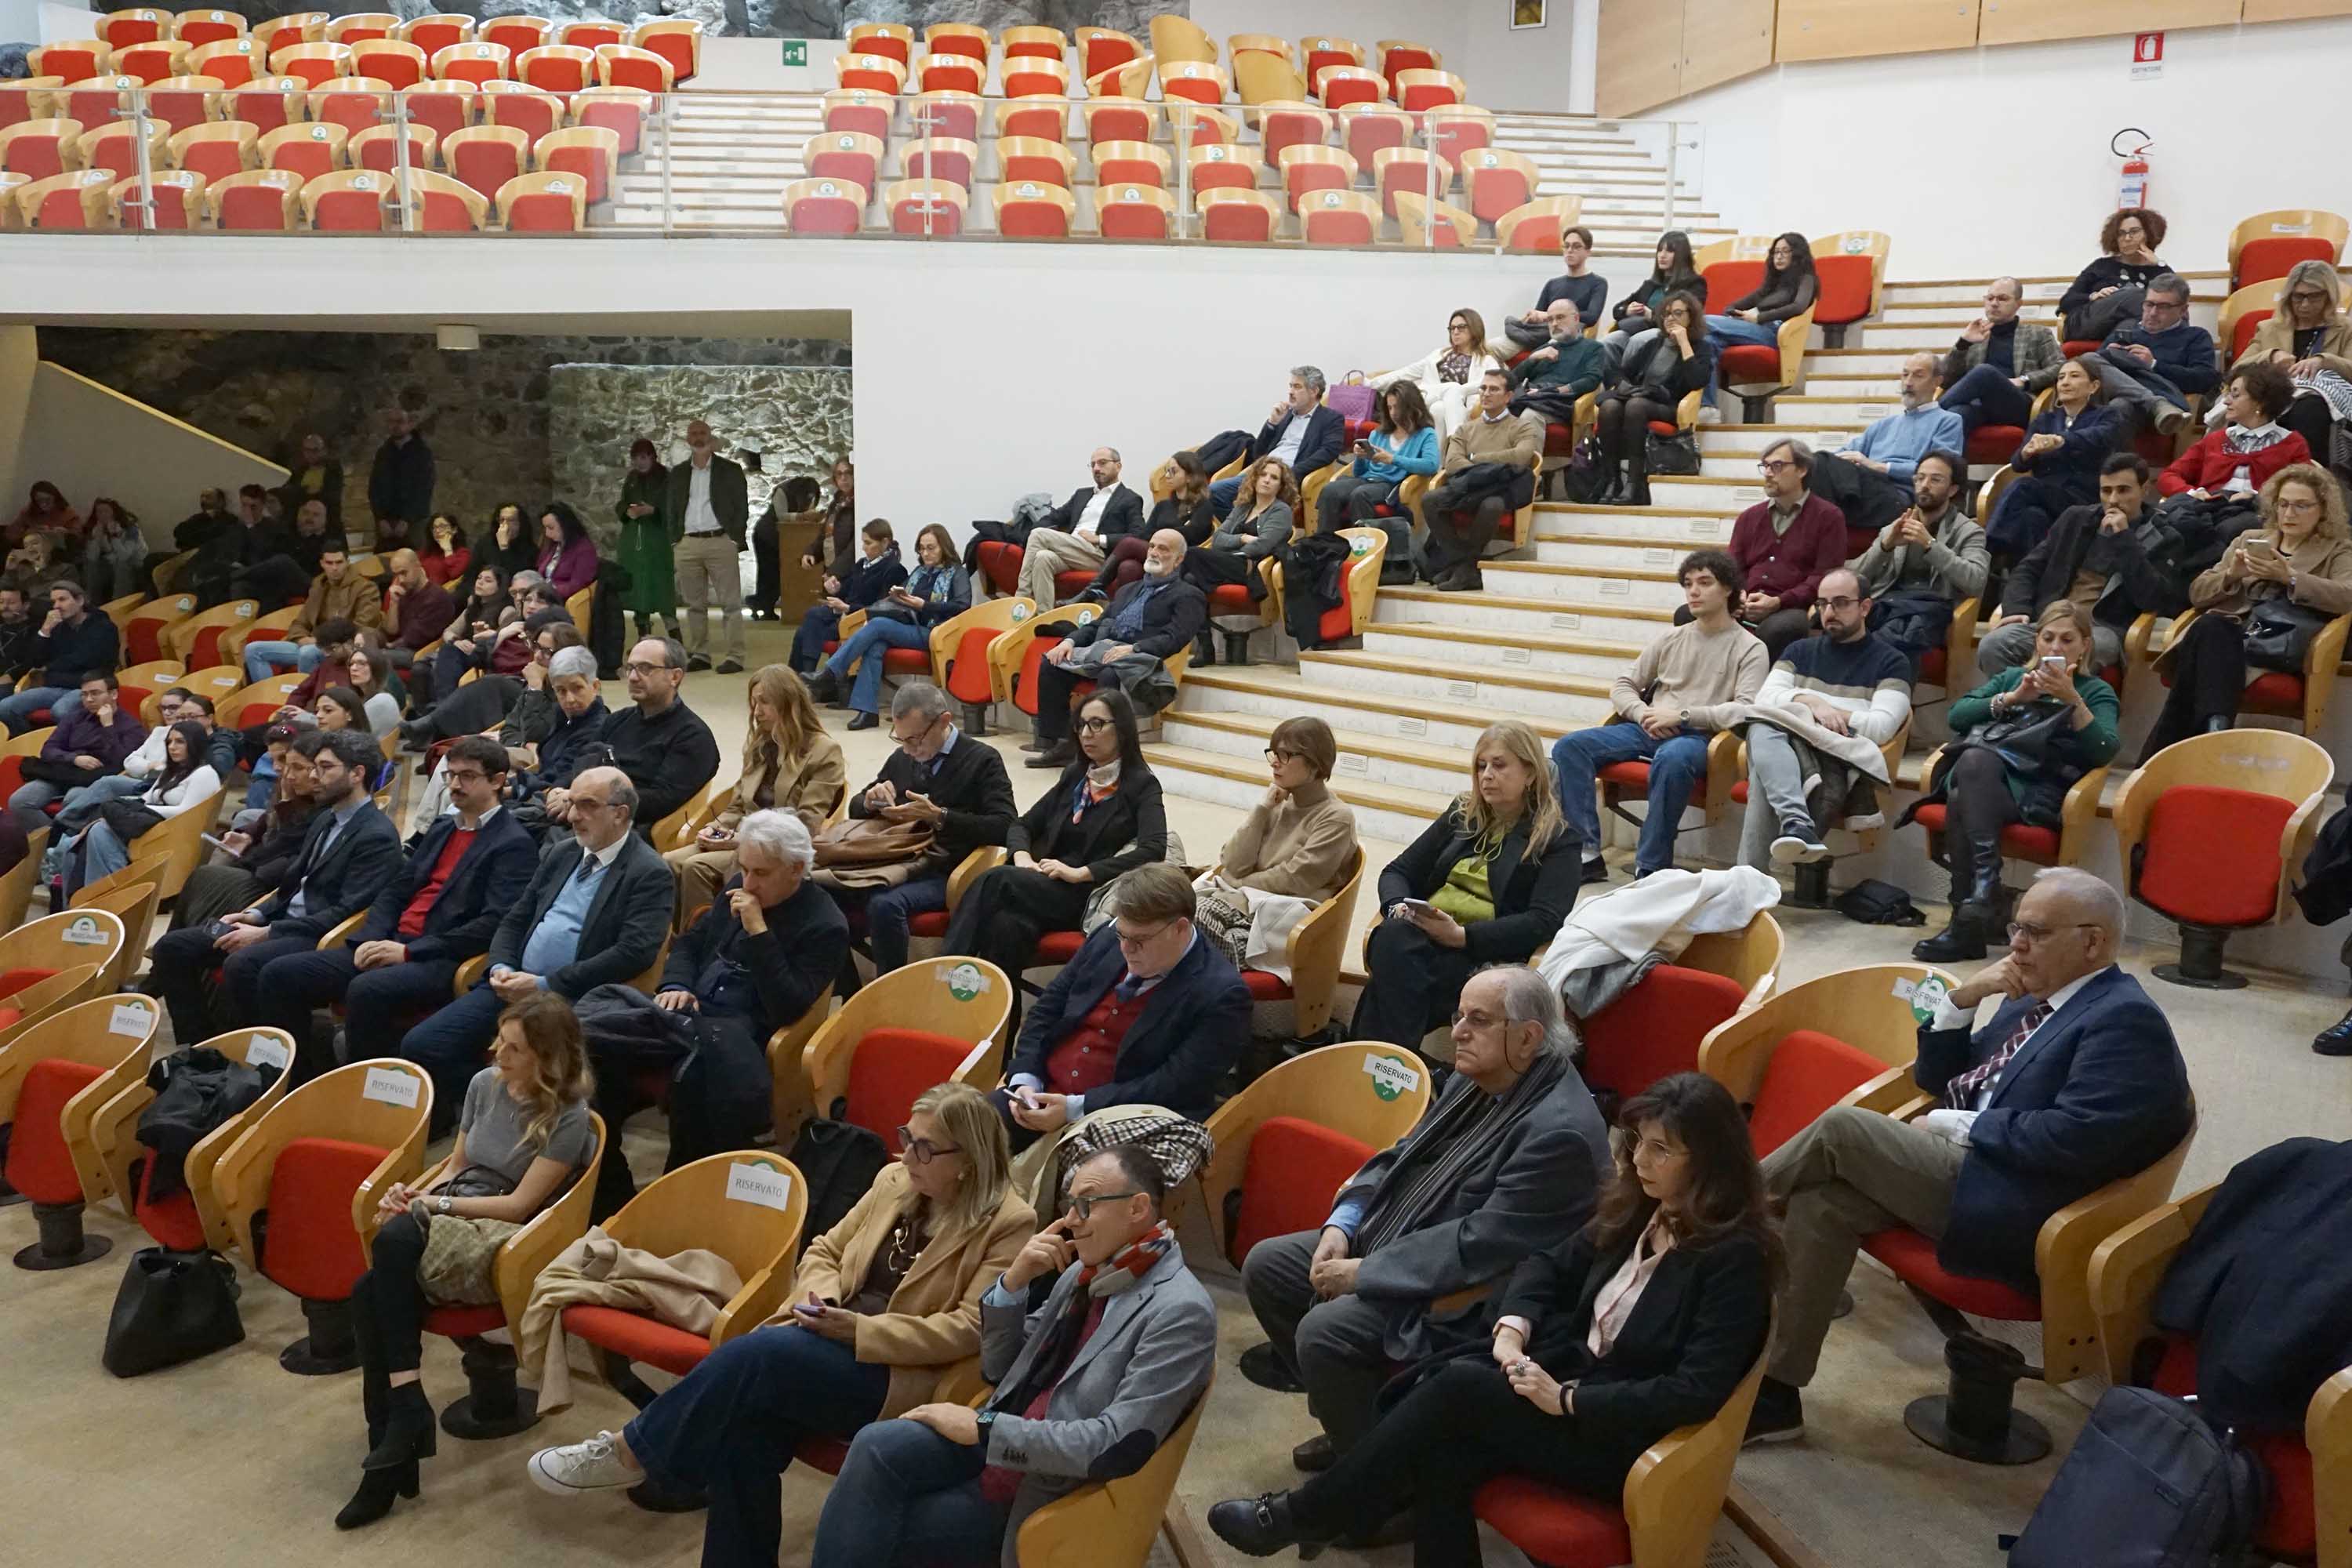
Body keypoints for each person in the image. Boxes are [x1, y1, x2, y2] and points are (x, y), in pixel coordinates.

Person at [1212, 1071, 1775, 1565]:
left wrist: (1568, 1400)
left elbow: (1693, 1392)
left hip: (1627, 1432)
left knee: (1457, 1387)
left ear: (1710, 1161)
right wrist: (1513, 1329)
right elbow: (1546, 1264)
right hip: (1565, 1379)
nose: (1639, 1161)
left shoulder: (1736, 1260)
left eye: (1661, 1150)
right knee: (1444, 1449)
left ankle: (1303, 1515)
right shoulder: (1643, 1207)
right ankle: (1316, 1514)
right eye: (1637, 1143)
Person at [1746, 867, 2193, 1443]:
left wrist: (1956, 1124)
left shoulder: (2125, 1021)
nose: (2017, 945)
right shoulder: (2032, 996)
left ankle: (1703, 1212)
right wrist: (1963, 1000)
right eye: (2016, 928)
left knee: (1843, 1129)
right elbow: (1939, 1077)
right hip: (1970, 1170)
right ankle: (1778, 1396)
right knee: (1824, 1199)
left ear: (2093, 942)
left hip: (2025, 1204)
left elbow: (2077, 1139)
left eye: (2036, 932)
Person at [523, 1082, 1036, 1568]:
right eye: (907, 1137)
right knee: (744, 1429)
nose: (906, 1156)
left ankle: (632, 1451)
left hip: (893, 1370)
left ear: (967, 1162)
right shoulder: (893, 1182)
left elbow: (969, 1326)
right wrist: (824, 1301)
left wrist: (859, 1331)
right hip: (825, 1336)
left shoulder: (1008, 1221)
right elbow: (825, 1249)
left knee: (761, 1355)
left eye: (924, 1148)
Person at [1240, 967, 1612, 1467]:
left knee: (1325, 1331)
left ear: (1528, 1038)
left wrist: (1364, 1273)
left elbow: (1480, 1244)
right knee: (1268, 1266)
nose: (1457, 1032)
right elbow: (1403, 1153)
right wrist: (1344, 1223)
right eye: (1459, 1016)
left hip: (1478, 1292)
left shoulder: (1559, 1134)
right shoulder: (1477, 1076)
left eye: (1478, 1020)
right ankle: (1354, 1425)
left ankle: (1381, 1481)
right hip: (1411, 1234)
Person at [804, 1143, 1216, 1567]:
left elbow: (1114, 1443)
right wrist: (1014, 1284)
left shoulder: (1180, 1311)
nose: (1071, 1221)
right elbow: (1001, 1368)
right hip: (1001, 1439)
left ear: (1137, 1208)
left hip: (1046, 1486)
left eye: (1087, 1205)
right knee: (873, 1447)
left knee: (879, 1526)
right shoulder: (1087, 1272)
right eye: (1070, 1204)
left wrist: (984, 1428)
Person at [333, 990, 596, 1530]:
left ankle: (400, 1431)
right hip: (458, 1209)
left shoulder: (569, 1116)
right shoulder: (482, 1084)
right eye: (500, 1040)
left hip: (507, 1236)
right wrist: (415, 1193)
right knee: (370, 1284)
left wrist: (434, 1206)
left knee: (385, 1258)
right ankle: (396, 1435)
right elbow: (455, 1168)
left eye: (514, 1049)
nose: (498, 1053)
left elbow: (520, 1205)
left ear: (547, 1059)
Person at [587, 810, 848, 1209]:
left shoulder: (825, 924)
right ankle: (609, 1187)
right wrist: (676, 985)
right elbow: (689, 946)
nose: (748, 882)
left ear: (796, 869)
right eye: (744, 869)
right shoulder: (739, 886)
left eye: (761, 873)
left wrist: (759, 932)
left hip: (742, 1031)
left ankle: (678, 1198)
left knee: (698, 1072)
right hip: (686, 1014)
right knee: (589, 1054)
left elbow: (788, 1006)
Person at [245, 734, 537, 1081]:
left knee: (367, 989)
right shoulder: (444, 826)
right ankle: (296, 1080)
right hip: (391, 941)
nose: (455, 785)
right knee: (280, 974)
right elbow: (395, 890)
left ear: (498, 781)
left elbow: (491, 924)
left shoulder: (513, 844)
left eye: (468, 776)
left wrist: (410, 952)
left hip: (440, 957)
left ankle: (365, 1088)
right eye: (451, 775)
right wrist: (371, 936)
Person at [395, 766, 670, 1130]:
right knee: (422, 1045)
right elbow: (515, 918)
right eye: (572, 803)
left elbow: (634, 952)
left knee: (548, 1069)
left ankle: (524, 1125)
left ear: (619, 813)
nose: (573, 816)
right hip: (512, 986)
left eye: (587, 805)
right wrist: (501, 966)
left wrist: (545, 984)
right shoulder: (562, 853)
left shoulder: (648, 871)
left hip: (572, 998)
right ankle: (488, 1117)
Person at [147, 728, 398, 1044]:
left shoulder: (376, 836)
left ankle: (268, 1054)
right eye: (315, 767)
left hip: (313, 935)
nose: (315, 776)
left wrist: (266, 932)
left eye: (325, 768)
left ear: (357, 774)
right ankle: (200, 1045)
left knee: (243, 963)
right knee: (173, 947)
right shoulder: (326, 819)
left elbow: (345, 912)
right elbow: (292, 884)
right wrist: (254, 915)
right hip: (279, 922)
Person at [1907, 602, 2120, 962]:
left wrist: (2073, 700)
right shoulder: (2014, 679)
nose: (2055, 647)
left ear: (2085, 645)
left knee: (1964, 789)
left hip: (2043, 793)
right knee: (1969, 775)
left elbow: (2105, 750)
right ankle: (1982, 893)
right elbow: (1957, 716)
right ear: (2036, 642)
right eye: (2048, 638)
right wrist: (2013, 698)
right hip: (1994, 786)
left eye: (2067, 640)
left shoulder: (2095, 691)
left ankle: (1967, 920)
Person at [1356, 720, 1580, 1050]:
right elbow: (1397, 871)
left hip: (1482, 954)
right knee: (1394, 935)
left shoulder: (1557, 838)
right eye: (1480, 765)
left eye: (1499, 765)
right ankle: (1398, 1065)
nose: (1486, 775)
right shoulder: (1462, 815)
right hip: (1420, 940)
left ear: (1531, 773)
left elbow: (1544, 919)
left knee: (1392, 970)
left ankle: (1378, 1061)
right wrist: (1399, 908)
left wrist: (1462, 936)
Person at [1554, 550, 1768, 882]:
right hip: (1648, 727)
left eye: (1704, 583)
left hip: (1701, 737)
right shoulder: (1671, 637)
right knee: (1570, 747)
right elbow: (1623, 685)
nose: (1693, 591)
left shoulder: (1751, 647)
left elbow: (1744, 710)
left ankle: (1651, 867)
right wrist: (1643, 713)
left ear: (1728, 589)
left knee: (1673, 757)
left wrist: (1682, 716)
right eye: (1688, 584)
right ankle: (1586, 853)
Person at [947, 688, 1166, 976]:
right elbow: (1022, 824)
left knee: (995, 880)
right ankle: (996, 1005)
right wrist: (1023, 858)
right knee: (1007, 927)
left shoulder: (1142, 785)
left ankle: (942, 973)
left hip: (1084, 894)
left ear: (1122, 729)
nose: (1086, 734)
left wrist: (1081, 872)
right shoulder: (1077, 775)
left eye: (1097, 724)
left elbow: (1153, 849)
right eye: (1081, 725)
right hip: (1045, 885)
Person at [2143, 463, 2352, 759]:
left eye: (2301, 506)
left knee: (2205, 642)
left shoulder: (2338, 549)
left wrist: (2291, 578)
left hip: (2275, 645)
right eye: (2283, 504)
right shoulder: (2249, 539)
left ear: (2323, 510)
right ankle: (2214, 731)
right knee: (2211, 629)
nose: (2289, 514)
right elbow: (2197, 593)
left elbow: (2347, 596)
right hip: (2226, 641)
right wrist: (2232, 575)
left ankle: (2164, 758)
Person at [833, 680, 1017, 978]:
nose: (908, 749)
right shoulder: (903, 758)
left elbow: (1006, 826)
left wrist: (940, 817)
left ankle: (891, 991)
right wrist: (869, 800)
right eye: (901, 739)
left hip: (946, 867)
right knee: (825, 889)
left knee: (884, 905)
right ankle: (849, 987)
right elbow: (857, 808)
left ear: (944, 721)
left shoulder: (982, 760)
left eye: (915, 739)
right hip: (896, 860)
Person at [1734, 568, 1914, 870]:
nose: (1829, 612)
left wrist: (1811, 710)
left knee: (1763, 744)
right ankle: (1793, 824)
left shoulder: (1892, 662)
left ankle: (1750, 876)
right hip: (1786, 750)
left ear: (1865, 607)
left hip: (1836, 758)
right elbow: (1764, 701)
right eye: (1822, 604)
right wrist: (1812, 704)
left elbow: (1881, 728)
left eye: (1841, 603)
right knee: (1762, 725)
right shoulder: (1799, 651)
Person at [667, 663, 847, 921]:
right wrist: (715, 828)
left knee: (695, 867)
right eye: (754, 702)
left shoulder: (824, 751)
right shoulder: (760, 744)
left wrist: (741, 840)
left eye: (764, 702)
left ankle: (707, 935)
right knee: (668, 861)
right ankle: (675, 938)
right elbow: (737, 805)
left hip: (776, 849)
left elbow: (807, 824)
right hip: (741, 837)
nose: (756, 711)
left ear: (788, 704)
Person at [1979, 453, 2175, 677]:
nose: (2113, 500)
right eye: (2106, 491)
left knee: (2081, 650)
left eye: (2123, 490)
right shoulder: (2076, 519)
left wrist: (2124, 539)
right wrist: (2018, 609)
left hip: (2101, 629)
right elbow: (2028, 568)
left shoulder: (2164, 536)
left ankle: (2051, 699)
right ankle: (2021, 699)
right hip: (2050, 622)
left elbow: (2152, 598)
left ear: (2145, 490)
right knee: (1993, 645)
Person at [1191, 717, 1360, 976]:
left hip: (1281, 919)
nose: (1275, 763)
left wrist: (1239, 884)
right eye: (1273, 754)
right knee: (1162, 916)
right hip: (1246, 906)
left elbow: (1295, 878)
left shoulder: (1336, 817)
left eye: (1285, 755)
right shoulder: (1278, 801)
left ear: (1315, 763)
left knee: (1191, 924)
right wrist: (1262, 810)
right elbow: (1232, 861)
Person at [1023, 531, 1204, 766]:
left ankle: (1103, 748)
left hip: (1143, 662)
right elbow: (1097, 625)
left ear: (1178, 559)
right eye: (1152, 546)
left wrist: (1134, 649)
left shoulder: (1189, 595)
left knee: (1111, 672)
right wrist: (1069, 642)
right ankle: (1061, 744)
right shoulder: (1129, 590)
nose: (1154, 553)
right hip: (1104, 652)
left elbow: (1175, 638)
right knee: (1052, 662)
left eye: (1163, 549)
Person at [813, 523, 972, 729]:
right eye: (922, 549)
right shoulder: (919, 572)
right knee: (875, 645)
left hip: (936, 632)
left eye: (931, 548)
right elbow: (901, 599)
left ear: (944, 547)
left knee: (878, 625)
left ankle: (832, 672)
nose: (925, 553)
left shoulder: (957, 573)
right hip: (911, 627)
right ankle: (868, 712)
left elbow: (962, 606)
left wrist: (924, 605)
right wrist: (898, 596)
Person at [167, 727, 321, 930]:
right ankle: (192, 932)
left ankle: (207, 933)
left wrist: (285, 802)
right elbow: (267, 819)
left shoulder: (314, 801)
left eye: (284, 761)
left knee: (211, 876)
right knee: (206, 874)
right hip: (266, 864)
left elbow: (284, 844)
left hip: (276, 879)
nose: (278, 768)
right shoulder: (289, 784)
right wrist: (248, 836)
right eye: (274, 760)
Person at [1849, 450, 1989, 672]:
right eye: (1920, 478)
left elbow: (1975, 581)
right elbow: (1856, 576)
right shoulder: (1895, 526)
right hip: (1890, 606)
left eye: (1935, 480)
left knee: (1905, 631)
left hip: (1934, 610)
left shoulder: (1969, 531)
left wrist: (1930, 545)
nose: (1924, 485)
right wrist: (1885, 546)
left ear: (1953, 489)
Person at [56, 717, 220, 898]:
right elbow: (145, 799)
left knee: (99, 832)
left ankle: (106, 895)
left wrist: (141, 809)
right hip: (151, 827)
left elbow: (186, 812)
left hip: (170, 836)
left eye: (180, 742)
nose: (172, 747)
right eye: (169, 742)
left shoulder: (205, 774)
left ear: (195, 743)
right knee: (78, 841)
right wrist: (120, 808)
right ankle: (83, 898)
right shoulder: (173, 770)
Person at [1714, 439, 1849, 659]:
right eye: (1765, 466)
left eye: (1777, 466)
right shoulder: (1749, 517)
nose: (1768, 473)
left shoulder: (1829, 517)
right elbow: (1732, 567)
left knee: (1781, 628)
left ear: (1802, 470)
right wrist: (1737, 595)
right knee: (1689, 614)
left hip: (1791, 607)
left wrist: (1779, 602)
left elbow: (1825, 576)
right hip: (1745, 602)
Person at [1982, 356, 2125, 559]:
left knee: (2023, 486)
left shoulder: (2107, 415)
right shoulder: (2045, 420)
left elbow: (2098, 437)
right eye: (2061, 378)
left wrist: (2061, 441)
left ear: (2093, 386)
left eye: (2074, 376)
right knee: (2033, 518)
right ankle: (2031, 573)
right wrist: (2026, 453)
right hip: (2045, 498)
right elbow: (2018, 465)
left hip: (2082, 497)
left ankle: (1986, 551)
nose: (2065, 382)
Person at [1810, 353, 1965, 535]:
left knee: (1818, 473)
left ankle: (1816, 528)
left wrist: (1879, 467)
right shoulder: (1884, 424)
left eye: (1918, 375)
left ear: (1936, 382)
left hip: (1898, 497)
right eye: (1905, 375)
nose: (1908, 382)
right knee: (1814, 462)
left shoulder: (1948, 421)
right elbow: (1839, 456)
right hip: (1863, 490)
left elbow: (1940, 472)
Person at [1416, 368, 1542, 590]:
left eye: (1494, 389)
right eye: (1483, 388)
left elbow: (1521, 457)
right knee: (1430, 499)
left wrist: (1476, 459)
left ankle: (1461, 568)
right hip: (1468, 487)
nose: (1486, 393)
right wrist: (1490, 469)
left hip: (1500, 490)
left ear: (1508, 396)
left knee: (1492, 505)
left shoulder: (1522, 426)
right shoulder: (1466, 429)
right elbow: (1453, 462)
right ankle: (1465, 566)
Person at [589, 637, 722, 845]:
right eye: (630, 668)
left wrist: (593, 800)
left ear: (675, 677)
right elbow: (585, 762)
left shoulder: (693, 736)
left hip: (632, 832)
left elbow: (661, 800)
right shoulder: (616, 720)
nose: (633, 677)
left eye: (645, 668)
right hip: (593, 815)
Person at [1587, 290, 1712, 509]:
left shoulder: (1701, 347)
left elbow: (1697, 381)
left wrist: (1684, 343)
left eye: (1678, 313)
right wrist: (1622, 384)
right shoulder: (1654, 345)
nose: (1671, 318)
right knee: (1609, 406)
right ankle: (1612, 480)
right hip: (1642, 398)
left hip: (1671, 406)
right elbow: (1621, 372)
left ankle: (1635, 483)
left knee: (1635, 406)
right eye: (1666, 314)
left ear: (1691, 317)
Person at [2233, 258, 2352, 469]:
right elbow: (2236, 371)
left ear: (2329, 296)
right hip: (2275, 395)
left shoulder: (2346, 329)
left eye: (2314, 297)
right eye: (2298, 296)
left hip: (2323, 401)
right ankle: (2243, 475)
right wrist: (2270, 356)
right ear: (2288, 297)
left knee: (2309, 409)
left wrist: (2324, 360)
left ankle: (2309, 476)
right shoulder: (2269, 328)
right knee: (2249, 405)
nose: (2305, 304)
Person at [1316, 382, 1439, 578]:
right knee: (1330, 490)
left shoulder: (1425, 434)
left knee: (1361, 494)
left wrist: (1393, 459)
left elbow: (1431, 465)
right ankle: (1324, 554)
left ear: (1411, 406)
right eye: (1390, 407)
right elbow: (1360, 473)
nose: (1393, 413)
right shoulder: (1378, 433)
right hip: (1368, 479)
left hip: (1393, 484)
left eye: (1398, 407)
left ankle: (1365, 559)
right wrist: (1360, 457)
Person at [5, 669, 143, 832]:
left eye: (95, 693)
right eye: (84, 694)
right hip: (63, 773)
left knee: (73, 799)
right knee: (19, 801)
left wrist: (108, 726)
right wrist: (74, 759)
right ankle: (51, 840)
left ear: (113, 694)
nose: (89, 699)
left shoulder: (131, 726)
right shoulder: (75, 717)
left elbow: (120, 761)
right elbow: (48, 750)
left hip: (95, 780)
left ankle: (64, 841)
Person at [1076, 452, 1223, 602]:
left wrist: (1162, 534)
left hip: (1181, 559)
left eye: (1173, 471)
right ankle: (1121, 611)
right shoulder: (1163, 505)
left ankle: (1091, 592)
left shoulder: (1203, 505)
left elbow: (1194, 534)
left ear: (1189, 477)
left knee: (1129, 543)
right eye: (1167, 471)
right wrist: (1171, 533)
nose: (1167, 476)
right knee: (1128, 567)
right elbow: (1145, 535)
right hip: (1155, 553)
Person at [2084, 272, 2219, 434]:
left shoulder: (2196, 336)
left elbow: (2205, 380)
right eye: (2149, 304)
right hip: (2115, 398)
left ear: (2183, 310)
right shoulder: (2124, 332)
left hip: (2158, 407)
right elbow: (2093, 370)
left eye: (2163, 307)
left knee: (2119, 406)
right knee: (2089, 360)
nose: (2153, 312)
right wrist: (2108, 356)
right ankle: (2157, 404)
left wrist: (2154, 365)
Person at [664, 419, 749, 673]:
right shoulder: (679, 473)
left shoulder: (730, 470)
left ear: (710, 437)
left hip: (720, 541)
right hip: (688, 543)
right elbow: (671, 508)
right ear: (687, 439)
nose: (698, 437)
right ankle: (700, 653)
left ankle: (735, 656)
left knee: (731, 604)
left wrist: (734, 537)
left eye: (703, 433)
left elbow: (741, 506)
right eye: (693, 433)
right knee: (694, 605)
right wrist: (676, 539)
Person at [1183, 457, 1295, 648]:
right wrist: (1242, 538)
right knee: (1190, 580)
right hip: (1227, 564)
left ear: (1281, 486)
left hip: (1250, 569)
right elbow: (1217, 539)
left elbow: (1261, 546)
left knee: (1191, 553)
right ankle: (1206, 646)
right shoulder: (1243, 507)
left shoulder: (1281, 511)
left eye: (1274, 477)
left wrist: (1231, 550)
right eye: (1263, 475)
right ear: (1254, 478)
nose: (1267, 480)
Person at [2156, 361, 2311, 499]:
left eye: (2235, 395)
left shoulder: (2292, 444)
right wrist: (2193, 494)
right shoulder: (2215, 439)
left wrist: (2258, 498)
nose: (2226, 401)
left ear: (2260, 402)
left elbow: (2306, 489)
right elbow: (2169, 476)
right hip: (2209, 510)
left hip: (2260, 515)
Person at [1013, 448, 1146, 607]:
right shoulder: (1082, 494)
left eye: (1102, 463)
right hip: (1071, 549)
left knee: (1039, 534)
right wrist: (1026, 533)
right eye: (1093, 465)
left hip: (1098, 555)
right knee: (1042, 557)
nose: (1096, 468)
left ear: (1118, 466)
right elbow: (1055, 517)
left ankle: (1020, 601)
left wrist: (1099, 539)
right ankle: (1044, 615)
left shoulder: (1130, 498)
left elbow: (1138, 535)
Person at [1940, 277, 2068, 437]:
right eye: (1990, 298)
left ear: (2018, 304)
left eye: (2002, 298)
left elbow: (2060, 367)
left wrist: (2025, 380)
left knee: (1984, 372)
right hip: (1979, 405)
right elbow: (1945, 380)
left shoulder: (2038, 334)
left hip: (2017, 406)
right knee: (1957, 414)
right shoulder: (1974, 334)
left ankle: (1928, 416)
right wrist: (1963, 344)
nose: (1994, 303)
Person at [239, 541, 381, 683]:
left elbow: (362, 626)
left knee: (307, 653)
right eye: (329, 563)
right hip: (312, 646)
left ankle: (307, 695)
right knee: (253, 650)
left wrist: (320, 642)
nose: (334, 568)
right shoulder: (318, 585)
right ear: (322, 563)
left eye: (339, 562)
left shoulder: (366, 588)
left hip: (341, 648)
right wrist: (301, 638)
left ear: (348, 562)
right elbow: (301, 622)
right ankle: (268, 694)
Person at [0, 579, 121, 733]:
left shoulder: (103, 626)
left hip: (89, 687)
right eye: (54, 602)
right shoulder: (57, 628)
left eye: (62, 599)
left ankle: (75, 744)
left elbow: (87, 658)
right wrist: (45, 631)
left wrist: (49, 667)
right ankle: (33, 740)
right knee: (5, 707)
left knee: (60, 711)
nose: (56, 606)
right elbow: (36, 661)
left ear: (80, 600)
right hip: (56, 686)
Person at [1215, 367, 1345, 510]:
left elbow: (1328, 452)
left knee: (1230, 496)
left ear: (1314, 391)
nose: (1291, 392)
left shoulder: (1331, 419)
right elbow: (1258, 453)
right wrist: (1272, 423)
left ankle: (1244, 522)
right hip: (1261, 473)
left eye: (1297, 387)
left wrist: (1290, 473)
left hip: (1287, 478)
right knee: (1213, 492)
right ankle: (1238, 523)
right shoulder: (1285, 414)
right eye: (1291, 386)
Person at [791, 518, 906, 676]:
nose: (864, 548)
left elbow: (882, 608)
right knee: (807, 625)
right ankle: (805, 676)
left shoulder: (894, 570)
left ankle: (804, 676)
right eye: (863, 542)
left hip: (861, 622)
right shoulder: (862, 564)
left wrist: (847, 608)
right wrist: (836, 589)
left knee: (807, 628)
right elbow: (847, 592)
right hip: (845, 615)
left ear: (885, 542)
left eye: (868, 543)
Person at [1372, 307, 1506, 440]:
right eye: (1452, 328)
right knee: (1451, 388)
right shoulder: (1438, 355)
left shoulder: (1486, 360)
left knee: (1439, 409)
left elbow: (1495, 383)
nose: (1455, 332)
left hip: (1460, 410)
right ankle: (1457, 442)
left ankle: (1442, 453)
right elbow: (1407, 372)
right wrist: (1370, 383)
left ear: (1474, 328)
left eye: (1461, 327)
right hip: (1429, 398)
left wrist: (1463, 390)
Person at [2058, 208, 2171, 344]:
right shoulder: (2101, 266)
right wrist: (2094, 296)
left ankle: (2107, 354)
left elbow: (2177, 297)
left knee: (2130, 325)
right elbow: (2066, 302)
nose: (2127, 238)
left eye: (2134, 232)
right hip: (2086, 323)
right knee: (2137, 296)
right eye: (2121, 234)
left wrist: (2159, 265)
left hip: (2127, 328)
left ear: (2149, 234)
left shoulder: (2158, 271)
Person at [1599, 230, 1704, 365]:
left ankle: (1627, 377)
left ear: (1681, 255)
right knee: (1608, 342)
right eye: (1660, 250)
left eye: (1669, 251)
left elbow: (1691, 316)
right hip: (1638, 329)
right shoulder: (1651, 284)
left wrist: (1652, 315)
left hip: (1668, 333)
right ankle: (1612, 378)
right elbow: (1617, 309)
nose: (1662, 255)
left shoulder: (1695, 284)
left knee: (1638, 341)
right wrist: (1628, 310)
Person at [1706, 231, 1817, 350]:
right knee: (1708, 340)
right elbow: (1737, 305)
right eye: (1776, 252)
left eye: (1785, 251)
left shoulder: (1806, 278)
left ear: (1797, 254)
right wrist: (1733, 313)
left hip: (1775, 333)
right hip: (1756, 327)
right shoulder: (1772, 284)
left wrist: (1759, 318)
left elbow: (1798, 307)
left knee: (1703, 321)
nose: (1779, 256)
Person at [1504, 223, 1606, 351]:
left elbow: (1592, 317)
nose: (1570, 250)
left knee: (1554, 343)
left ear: (1588, 252)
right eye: (1567, 246)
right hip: (1539, 334)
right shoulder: (1552, 283)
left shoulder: (1598, 283)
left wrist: (1548, 316)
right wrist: (1535, 316)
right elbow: (1540, 314)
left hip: (1565, 336)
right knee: (1492, 347)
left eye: (1576, 246)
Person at [1504, 297, 1607, 424]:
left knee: (1529, 416)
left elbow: (1592, 380)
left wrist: (1552, 391)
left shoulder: (1593, 348)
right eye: (1550, 319)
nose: (1554, 324)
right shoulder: (1543, 349)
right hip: (1531, 397)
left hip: (1558, 403)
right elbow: (1512, 380)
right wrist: (1532, 359)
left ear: (1576, 319)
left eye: (1560, 317)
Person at [614, 437, 676, 641]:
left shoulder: (666, 478)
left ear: (652, 457)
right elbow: (622, 502)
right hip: (634, 542)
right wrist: (627, 511)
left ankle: (675, 639)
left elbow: (673, 508)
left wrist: (653, 511)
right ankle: (643, 638)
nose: (639, 462)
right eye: (635, 458)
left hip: (657, 542)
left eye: (643, 458)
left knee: (661, 589)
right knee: (638, 590)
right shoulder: (632, 478)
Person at [753, 473, 822, 622]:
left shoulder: (805, 493)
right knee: (768, 573)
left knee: (778, 573)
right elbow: (782, 516)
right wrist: (802, 516)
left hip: (783, 538)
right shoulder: (782, 491)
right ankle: (763, 606)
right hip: (766, 535)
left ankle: (762, 605)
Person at [367, 407, 434, 550]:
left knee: (413, 558)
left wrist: (407, 519)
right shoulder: (383, 453)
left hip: (414, 522)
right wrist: (381, 518)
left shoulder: (422, 453)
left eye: (399, 421)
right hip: (386, 521)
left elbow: (424, 489)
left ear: (410, 424)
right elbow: (374, 487)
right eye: (391, 422)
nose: (395, 426)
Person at [78, 497, 148, 604]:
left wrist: (114, 536)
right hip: (112, 562)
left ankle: (119, 602)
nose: (103, 515)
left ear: (114, 513)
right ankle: (92, 602)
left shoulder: (131, 528)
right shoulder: (97, 529)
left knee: (121, 564)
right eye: (99, 512)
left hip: (134, 562)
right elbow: (92, 557)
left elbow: (125, 556)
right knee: (90, 564)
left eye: (106, 511)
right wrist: (97, 538)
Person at [802, 454, 858, 581]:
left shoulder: (858, 504)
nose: (844, 478)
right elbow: (825, 534)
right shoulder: (837, 502)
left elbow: (854, 546)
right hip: (831, 565)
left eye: (848, 473)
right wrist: (811, 552)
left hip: (847, 573)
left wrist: (836, 571)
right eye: (839, 474)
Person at [280, 431, 343, 535]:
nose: (310, 454)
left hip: (325, 524)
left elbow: (332, 495)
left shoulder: (333, 470)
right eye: (307, 450)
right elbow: (291, 493)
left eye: (315, 450)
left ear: (324, 451)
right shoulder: (300, 471)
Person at [535, 502, 599, 603]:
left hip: (560, 601)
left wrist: (548, 590)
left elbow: (577, 586)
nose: (547, 533)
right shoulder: (555, 544)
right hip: (544, 596)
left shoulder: (584, 550)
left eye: (551, 528)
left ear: (565, 525)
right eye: (545, 528)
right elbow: (541, 571)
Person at [0, 579, 42, 695]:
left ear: (26, 605)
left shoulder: (36, 629)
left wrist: (10, 676)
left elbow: (32, 661)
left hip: (17, 682)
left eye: (11, 603)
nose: (5, 607)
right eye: (1, 602)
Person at [8, 479, 79, 546]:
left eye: (48, 500)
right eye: (39, 501)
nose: (44, 504)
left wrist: (66, 533)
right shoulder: (28, 512)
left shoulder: (68, 513)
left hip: (59, 552)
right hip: (32, 550)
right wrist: (27, 533)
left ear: (56, 498)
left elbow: (79, 539)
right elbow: (10, 535)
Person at [481, 500, 538, 578]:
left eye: (511, 520)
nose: (505, 525)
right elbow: (472, 573)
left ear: (520, 523)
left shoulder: (530, 549)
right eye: (502, 520)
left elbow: (514, 576)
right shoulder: (486, 542)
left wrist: (504, 548)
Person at [416, 512, 470, 587]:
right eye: (434, 527)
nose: (437, 531)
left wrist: (448, 550)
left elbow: (454, 574)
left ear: (454, 530)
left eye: (442, 526)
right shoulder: (427, 551)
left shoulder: (463, 553)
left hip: (440, 592)